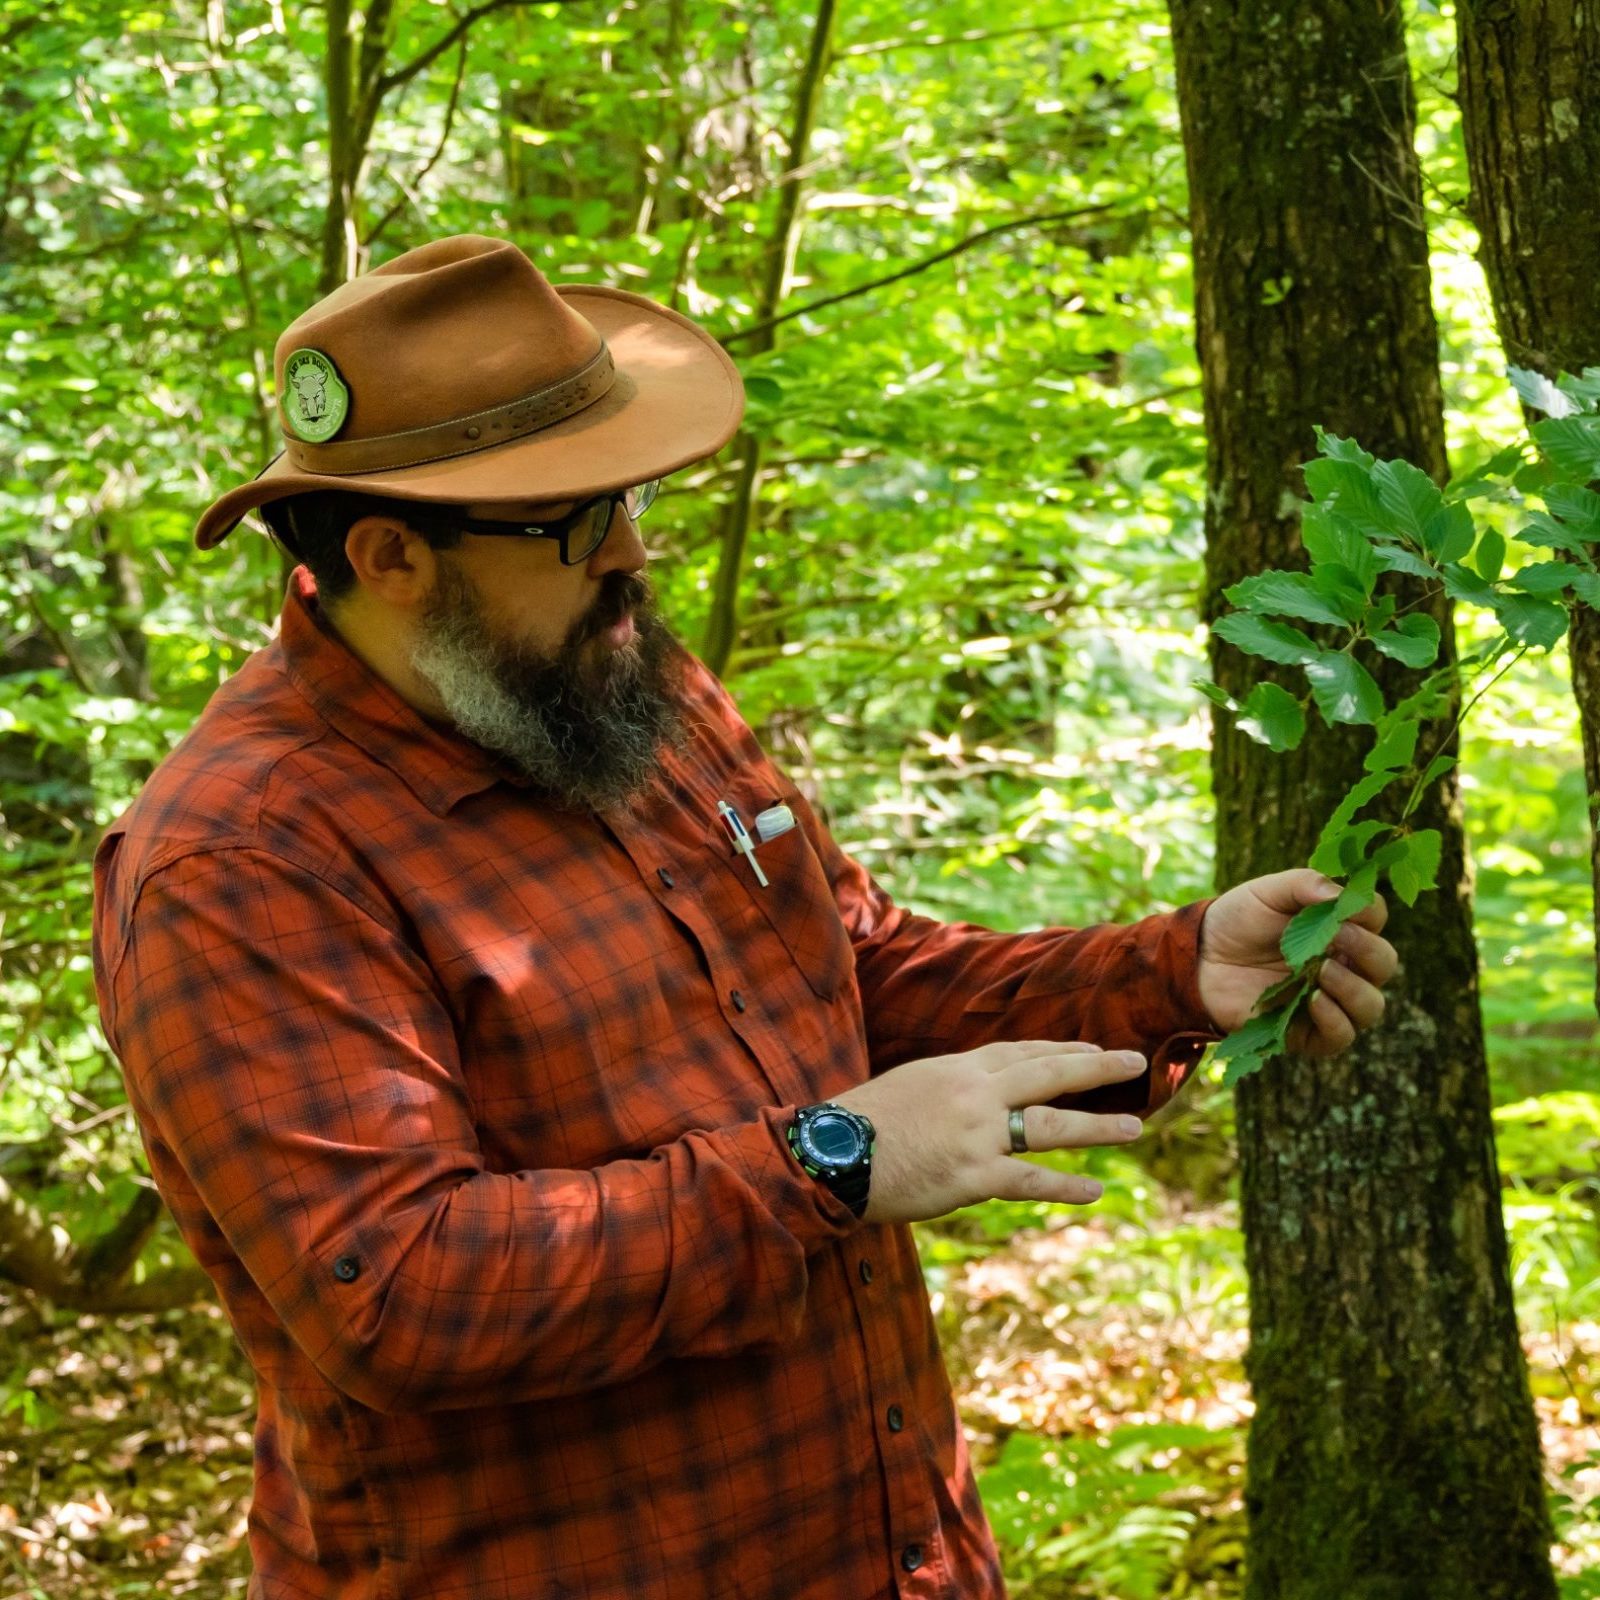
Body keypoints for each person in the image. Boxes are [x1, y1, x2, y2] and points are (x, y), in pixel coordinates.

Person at [90, 234, 1396, 1600]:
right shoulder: (242, 862)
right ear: (389, 555)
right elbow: (403, 1293)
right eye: (577, 517)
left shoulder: (618, 685)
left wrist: (1170, 971)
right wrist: (831, 1161)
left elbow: (858, 974)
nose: (636, 552)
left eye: (631, 494)